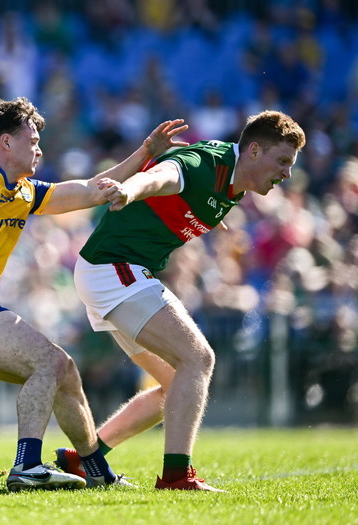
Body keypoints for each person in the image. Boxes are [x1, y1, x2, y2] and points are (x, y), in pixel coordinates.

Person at [0, 96, 188, 491]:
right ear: (5, 142)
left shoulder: (25, 191)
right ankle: (26, 466)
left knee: (65, 372)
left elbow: (91, 191)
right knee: (48, 362)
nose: (39, 149)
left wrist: (145, 153)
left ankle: (96, 472)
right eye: (32, 140)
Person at [53, 110, 306, 491]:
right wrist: (129, 189)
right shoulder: (206, 164)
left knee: (177, 384)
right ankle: (176, 476)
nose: (286, 173)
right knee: (198, 359)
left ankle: (82, 459)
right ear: (254, 150)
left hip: (113, 271)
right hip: (114, 267)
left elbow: (190, 194)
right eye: (282, 161)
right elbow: (163, 175)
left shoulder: (236, 179)